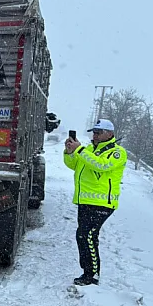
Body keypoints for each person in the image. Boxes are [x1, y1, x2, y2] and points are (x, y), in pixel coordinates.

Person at [63, 119, 127, 286]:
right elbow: (74, 165)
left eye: (99, 132)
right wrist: (70, 152)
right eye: (94, 132)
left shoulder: (117, 152)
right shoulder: (90, 149)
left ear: (110, 134)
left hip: (102, 203)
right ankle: (88, 272)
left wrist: (81, 150)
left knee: (88, 235)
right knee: (82, 236)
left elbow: (101, 166)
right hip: (85, 201)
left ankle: (92, 275)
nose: (95, 135)